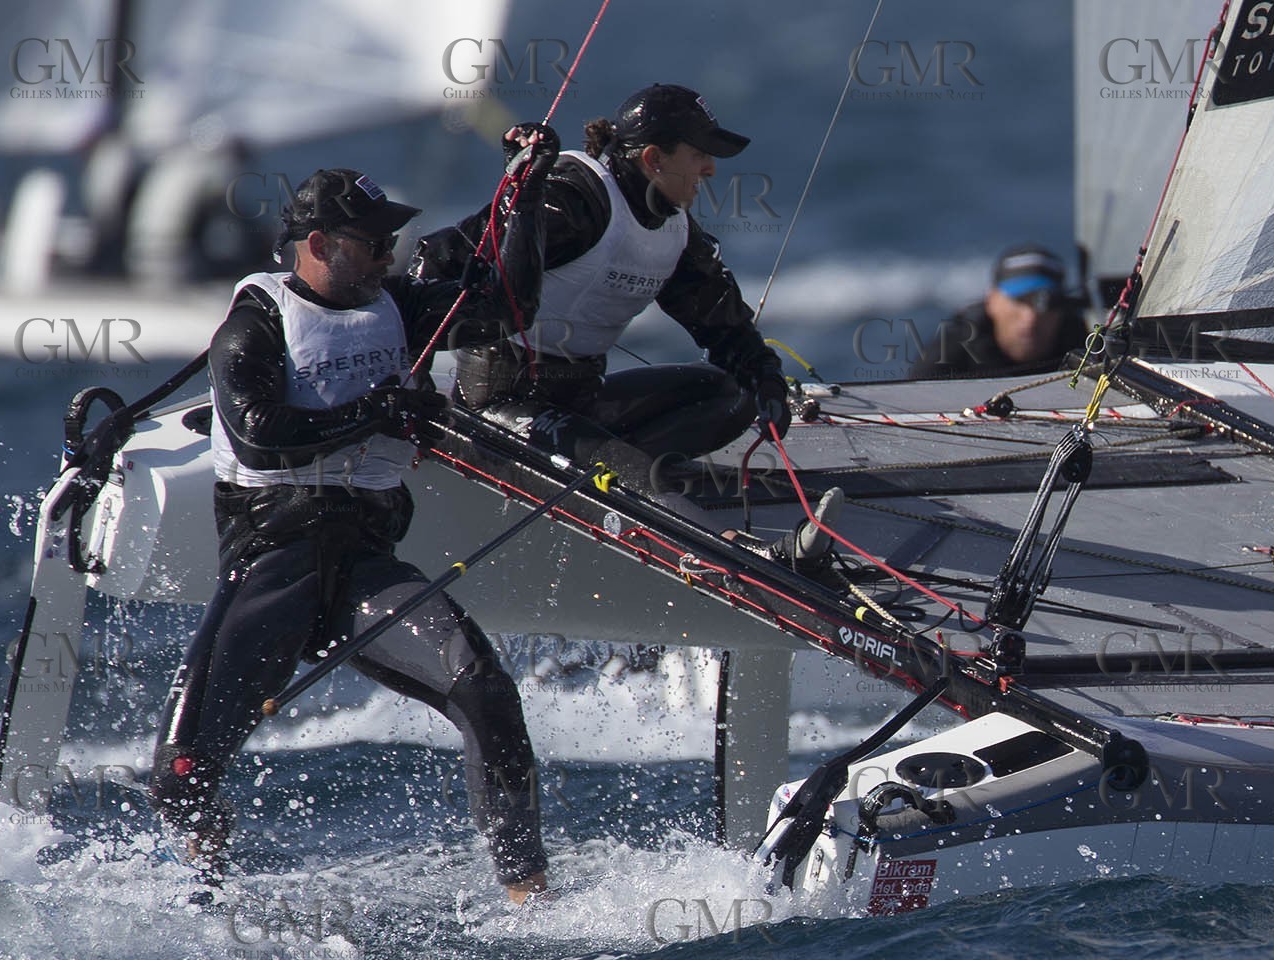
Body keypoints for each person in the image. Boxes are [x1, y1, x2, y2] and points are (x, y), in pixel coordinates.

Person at [149, 150, 557, 905]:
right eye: (370, 242)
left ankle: (528, 900)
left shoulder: (396, 304)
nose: (388, 254)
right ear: (317, 245)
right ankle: (205, 907)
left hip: (366, 566)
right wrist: (376, 412)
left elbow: (511, 306)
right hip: (273, 565)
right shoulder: (254, 324)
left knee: (487, 688)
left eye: (389, 241)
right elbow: (261, 434)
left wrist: (523, 204)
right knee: (179, 774)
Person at [409, 84, 794, 490]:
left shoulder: (674, 228)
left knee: (733, 393)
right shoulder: (571, 201)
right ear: (653, 158)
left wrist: (765, 377)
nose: (711, 169)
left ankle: (608, 473)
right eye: (699, 155)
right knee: (626, 471)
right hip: (500, 404)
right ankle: (640, 485)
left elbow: (723, 323)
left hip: (581, 401)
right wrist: (414, 384)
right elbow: (436, 258)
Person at [906, 245, 1090, 380]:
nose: (1031, 317)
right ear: (992, 301)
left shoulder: (1086, 346)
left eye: (1046, 304)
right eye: (1019, 300)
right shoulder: (956, 347)